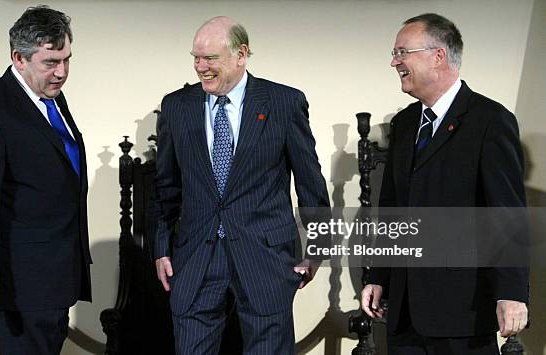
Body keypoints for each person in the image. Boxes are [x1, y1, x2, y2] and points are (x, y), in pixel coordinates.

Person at [154, 16, 330, 354]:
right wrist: (161, 247)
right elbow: (166, 187)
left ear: (241, 54)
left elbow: (312, 184)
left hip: (265, 258)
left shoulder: (283, 103)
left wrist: (318, 250)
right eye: (195, 57)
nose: (200, 67)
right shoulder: (177, 107)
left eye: (210, 59)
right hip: (196, 259)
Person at [360, 13, 529, 354]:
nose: (394, 62)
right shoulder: (406, 123)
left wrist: (511, 292)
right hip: (405, 313)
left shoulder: (490, 121)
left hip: (461, 313)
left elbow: (507, 214)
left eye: (402, 52)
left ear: (437, 56)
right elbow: (392, 210)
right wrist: (378, 276)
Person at [0, 6, 91, 354]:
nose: (61, 72)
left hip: (55, 278)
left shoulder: (50, 97)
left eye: (66, 60)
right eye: (51, 63)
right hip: (22, 285)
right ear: (19, 58)